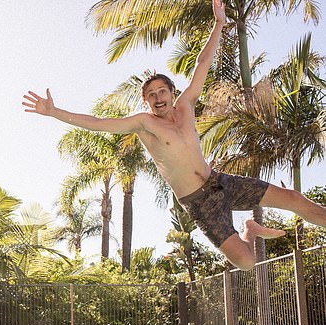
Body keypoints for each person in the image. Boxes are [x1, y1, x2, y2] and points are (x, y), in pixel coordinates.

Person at [22, 0, 326, 270]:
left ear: (172, 92)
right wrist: (55, 112)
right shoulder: (145, 124)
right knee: (246, 262)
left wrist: (219, 23)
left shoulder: (185, 107)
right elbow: (99, 123)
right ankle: (248, 228)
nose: (157, 98)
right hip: (198, 202)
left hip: (219, 181)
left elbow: (201, 64)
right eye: (151, 95)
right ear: (145, 101)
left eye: (162, 91)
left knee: (294, 198)